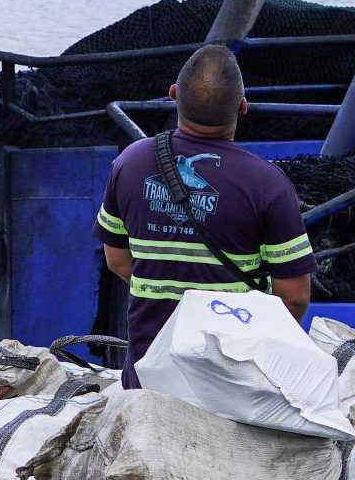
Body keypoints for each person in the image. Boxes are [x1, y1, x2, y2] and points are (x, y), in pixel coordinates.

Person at [96, 44, 314, 380]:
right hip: (233, 386)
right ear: (242, 106)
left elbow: (117, 260)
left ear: (173, 94)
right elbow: (295, 297)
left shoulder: (130, 162)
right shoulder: (267, 183)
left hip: (147, 380)